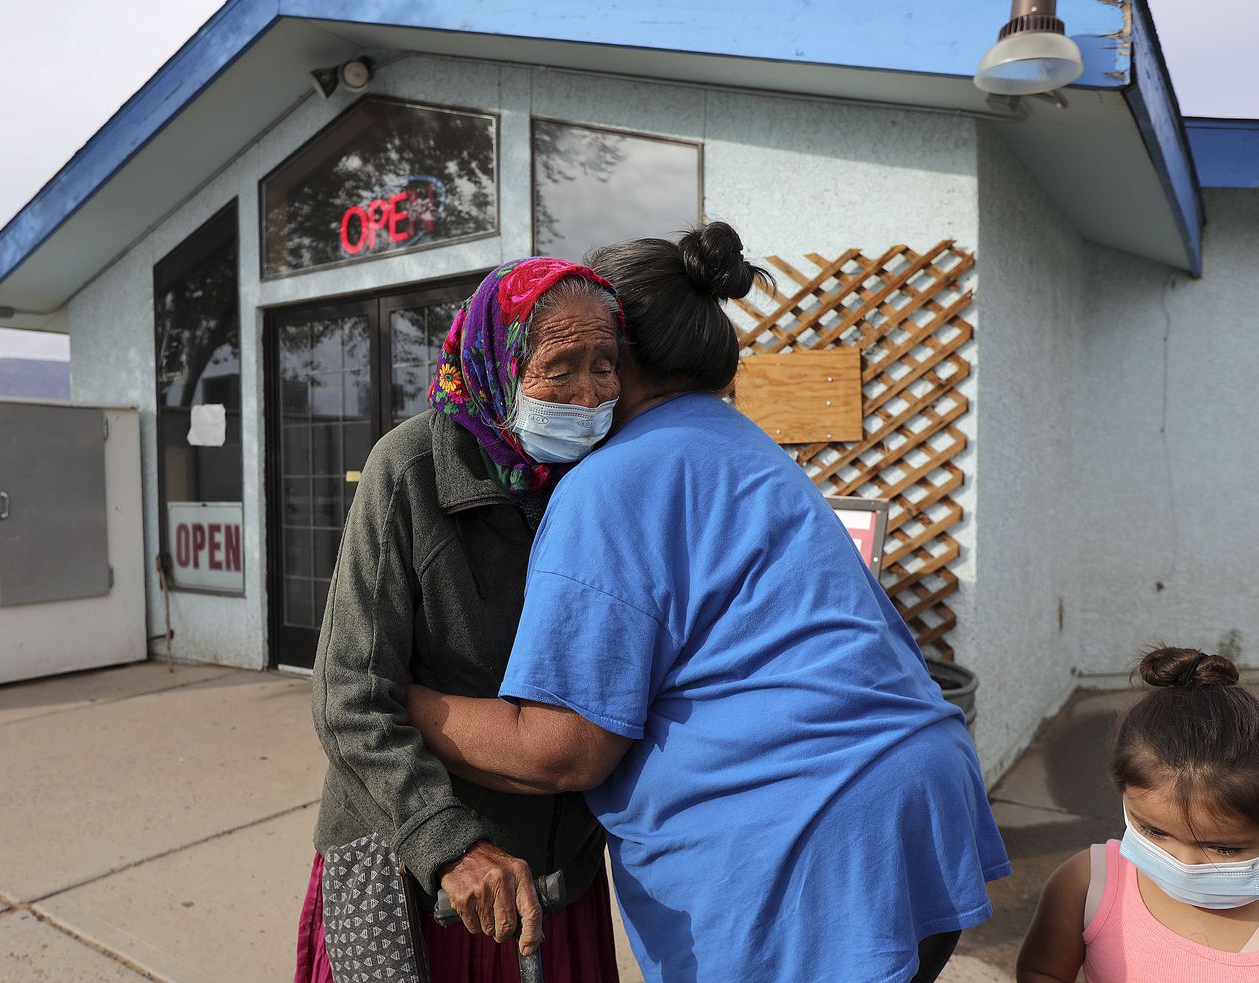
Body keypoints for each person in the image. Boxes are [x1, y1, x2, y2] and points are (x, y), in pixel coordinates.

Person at [407, 222, 1011, 982]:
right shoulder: (744, 444)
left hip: (806, 841)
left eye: (588, 355)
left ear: (617, 353)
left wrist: (402, 702)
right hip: (918, 793)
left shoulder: (609, 483)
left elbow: (564, 748)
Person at [295, 258, 626, 983]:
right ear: (496, 362)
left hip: (555, 875)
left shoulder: (601, 479)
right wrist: (447, 842)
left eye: (605, 364)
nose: (589, 393)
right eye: (560, 366)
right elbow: (349, 696)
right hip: (419, 866)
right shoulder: (408, 471)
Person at [1016, 647, 1259, 983]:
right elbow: (1042, 970)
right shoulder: (1087, 884)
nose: (1184, 863)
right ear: (1123, 795)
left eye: (1225, 849)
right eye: (1154, 832)